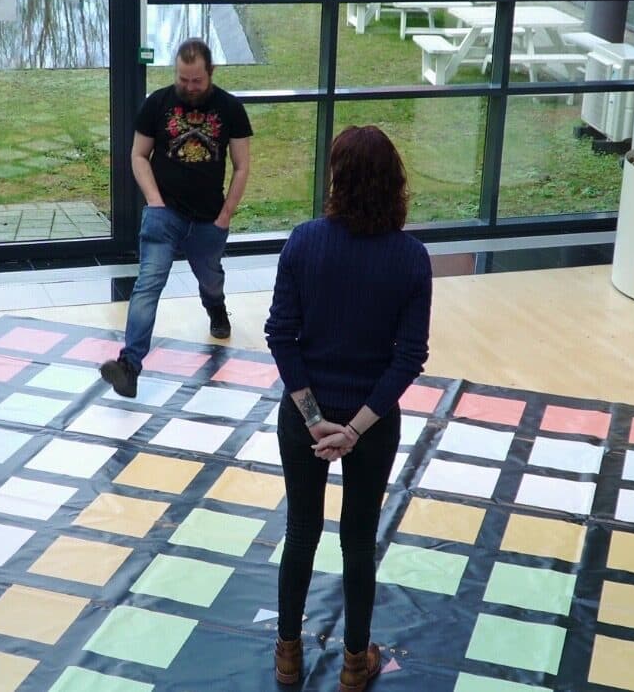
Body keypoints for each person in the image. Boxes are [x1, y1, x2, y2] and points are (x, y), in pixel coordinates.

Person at [264, 126, 431, 691]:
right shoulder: (411, 259)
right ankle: (356, 664)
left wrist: (315, 420)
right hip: (373, 422)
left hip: (303, 417)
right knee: (358, 540)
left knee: (301, 530)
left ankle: (287, 656)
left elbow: (280, 335)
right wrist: (354, 429)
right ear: (394, 183)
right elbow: (409, 357)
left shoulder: (303, 241)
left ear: (337, 178)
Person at [99, 38, 252, 398]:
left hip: (209, 219)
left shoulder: (230, 109)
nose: (189, 87)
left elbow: (242, 166)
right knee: (148, 284)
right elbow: (138, 155)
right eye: (183, 79)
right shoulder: (157, 103)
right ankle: (129, 365)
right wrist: (154, 202)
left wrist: (226, 215)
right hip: (163, 215)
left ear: (211, 72)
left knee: (210, 278)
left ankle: (215, 307)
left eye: (196, 80)